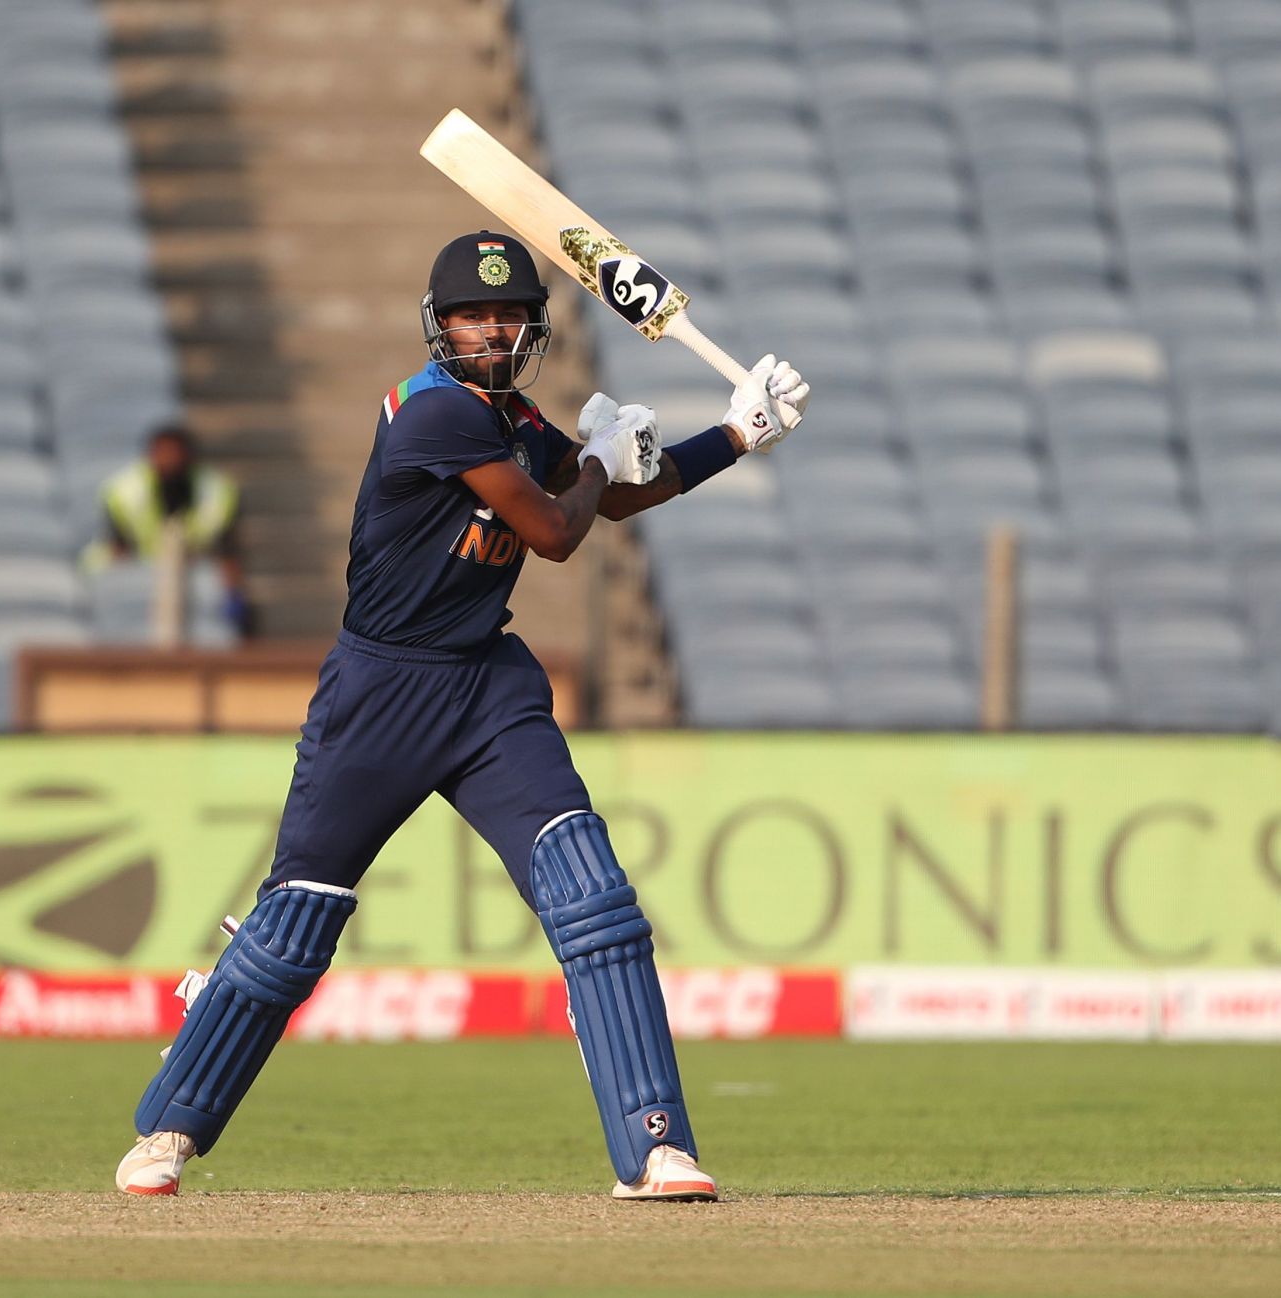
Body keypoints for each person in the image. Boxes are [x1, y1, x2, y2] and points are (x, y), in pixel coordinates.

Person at [114, 231, 810, 1201]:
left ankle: (657, 1147)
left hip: (486, 687)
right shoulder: (434, 416)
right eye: (473, 315)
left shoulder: (516, 421)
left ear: (532, 327)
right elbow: (560, 530)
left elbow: (615, 500)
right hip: (379, 692)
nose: (492, 328)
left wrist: (737, 434)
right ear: (440, 325)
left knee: (595, 900)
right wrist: (600, 459)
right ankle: (169, 1128)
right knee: (296, 924)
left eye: (509, 314)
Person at [87, 423, 251, 636]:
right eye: (162, 454)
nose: (169, 461)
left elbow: (228, 551)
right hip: (137, 572)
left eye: (176, 454)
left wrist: (233, 593)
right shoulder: (124, 492)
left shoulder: (217, 492)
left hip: (193, 572)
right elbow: (118, 548)